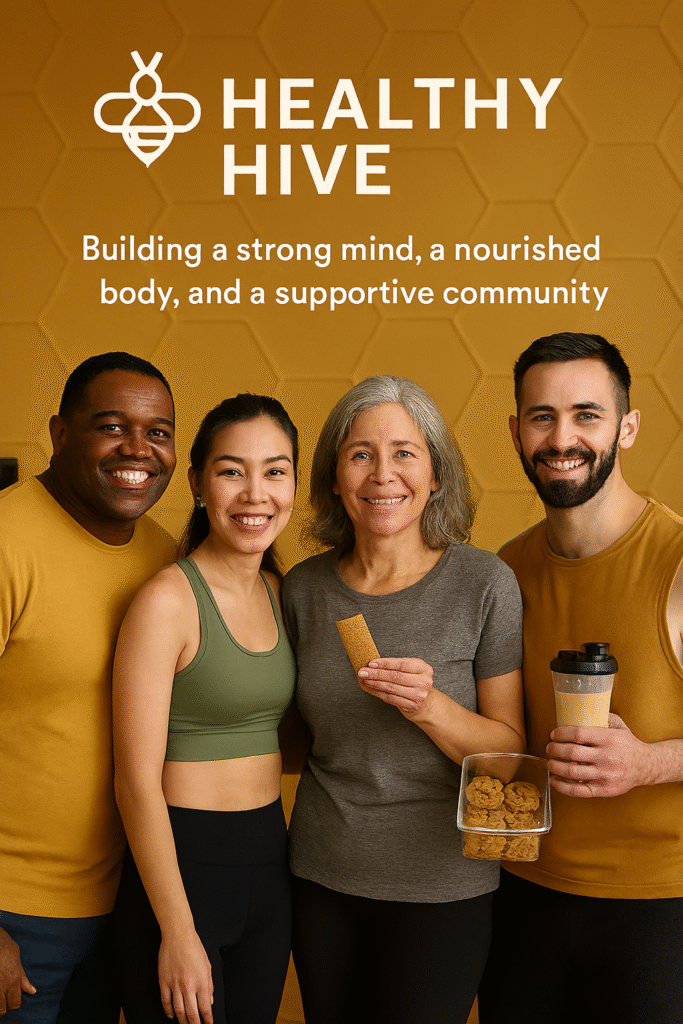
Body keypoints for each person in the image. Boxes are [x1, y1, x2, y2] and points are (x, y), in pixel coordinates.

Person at [282, 375, 525, 1024]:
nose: (381, 474)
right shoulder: (302, 590)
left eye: (404, 453)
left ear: (436, 475)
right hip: (319, 876)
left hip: (443, 887)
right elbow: (287, 733)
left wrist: (429, 708)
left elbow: (509, 760)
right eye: (359, 453)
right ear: (334, 477)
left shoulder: (484, 582)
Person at [477, 333, 683, 1024]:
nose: (561, 437)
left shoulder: (676, 559)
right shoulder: (503, 572)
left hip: (660, 909)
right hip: (523, 899)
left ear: (625, 427)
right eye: (541, 417)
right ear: (515, 432)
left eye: (586, 415)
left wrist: (648, 762)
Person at [0, 352, 177, 1022]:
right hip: (11, 916)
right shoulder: (8, 539)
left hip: (115, 912)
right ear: (60, 434)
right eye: (111, 426)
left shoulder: (164, 558)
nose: (137, 448)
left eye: (157, 431)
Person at [112, 394, 298, 1024]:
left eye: (275, 471)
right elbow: (134, 782)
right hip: (182, 867)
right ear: (196, 483)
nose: (255, 493)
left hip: (268, 867)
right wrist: (178, 930)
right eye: (231, 470)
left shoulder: (280, 591)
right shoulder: (168, 600)